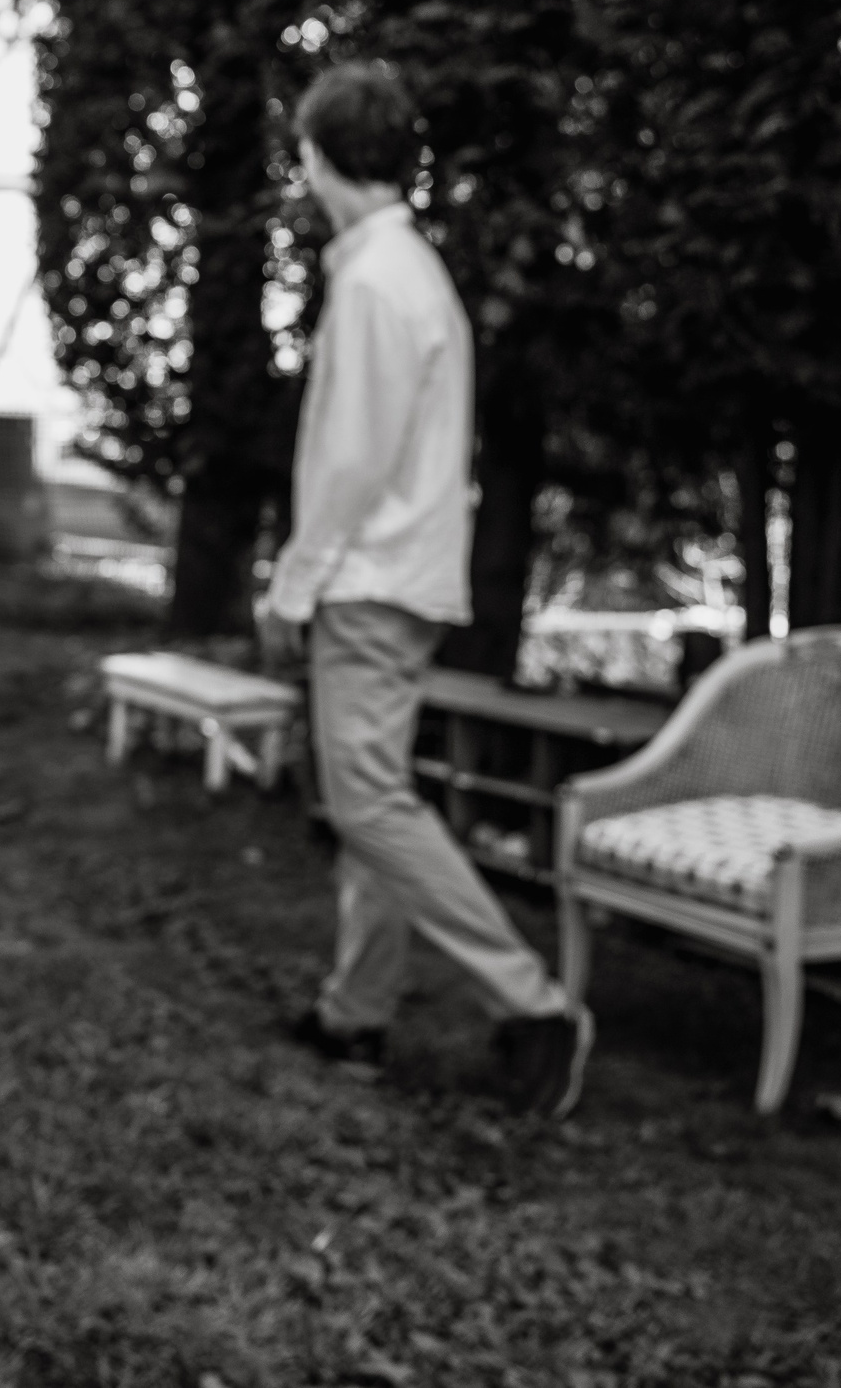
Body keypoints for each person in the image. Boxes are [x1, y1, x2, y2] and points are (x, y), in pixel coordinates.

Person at [256, 62, 593, 1119]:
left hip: (366, 580)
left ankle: (534, 1003)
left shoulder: (369, 280)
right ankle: (352, 1013)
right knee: (374, 803)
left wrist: (291, 584)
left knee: (369, 803)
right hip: (403, 575)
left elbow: (353, 460)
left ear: (315, 157)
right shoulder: (409, 269)